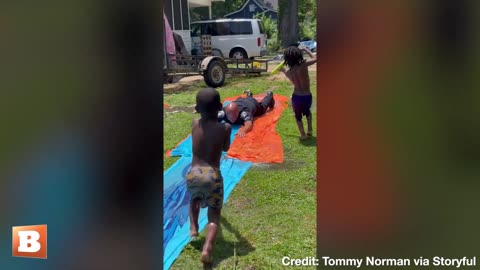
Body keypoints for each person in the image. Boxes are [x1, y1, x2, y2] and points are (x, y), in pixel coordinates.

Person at [187, 88, 232, 264]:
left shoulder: (194, 123)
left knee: (194, 199)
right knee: (214, 215)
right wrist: (225, 130)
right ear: (220, 107)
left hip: (193, 173)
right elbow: (225, 148)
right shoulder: (225, 127)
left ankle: (193, 227)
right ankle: (207, 249)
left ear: (197, 109)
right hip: (212, 175)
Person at [280, 45, 317, 140]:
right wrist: (306, 49)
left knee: (298, 116)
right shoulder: (304, 65)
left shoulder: (289, 72)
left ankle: (303, 135)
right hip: (307, 96)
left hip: (296, 97)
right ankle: (310, 130)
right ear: (299, 55)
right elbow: (316, 58)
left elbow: (292, 79)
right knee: (308, 112)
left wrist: (283, 71)